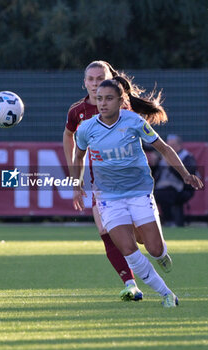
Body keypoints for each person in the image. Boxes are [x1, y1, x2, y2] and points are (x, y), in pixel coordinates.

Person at [73, 77, 203, 307]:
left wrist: (185, 175)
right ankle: (166, 295)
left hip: (138, 192)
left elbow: (163, 148)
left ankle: (162, 255)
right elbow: (79, 155)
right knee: (129, 250)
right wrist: (77, 183)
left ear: (121, 101)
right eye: (100, 99)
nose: (103, 103)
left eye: (109, 99)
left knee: (154, 249)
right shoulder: (86, 129)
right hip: (108, 198)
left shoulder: (133, 121)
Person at [63, 61, 143, 301]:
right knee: (104, 229)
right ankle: (130, 284)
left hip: (131, 181)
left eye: (100, 78)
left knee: (141, 237)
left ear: (110, 80)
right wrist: (75, 178)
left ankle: (152, 252)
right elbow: (69, 135)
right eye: (91, 79)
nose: (95, 83)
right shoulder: (77, 111)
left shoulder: (122, 106)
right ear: (84, 82)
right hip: (102, 184)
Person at [154, 134, 197, 226]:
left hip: (181, 188)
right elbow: (156, 175)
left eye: (173, 146)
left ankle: (170, 221)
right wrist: (154, 164)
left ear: (179, 145)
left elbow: (189, 175)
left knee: (164, 194)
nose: (170, 149)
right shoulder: (162, 157)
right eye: (168, 146)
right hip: (161, 187)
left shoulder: (187, 157)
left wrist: (171, 165)